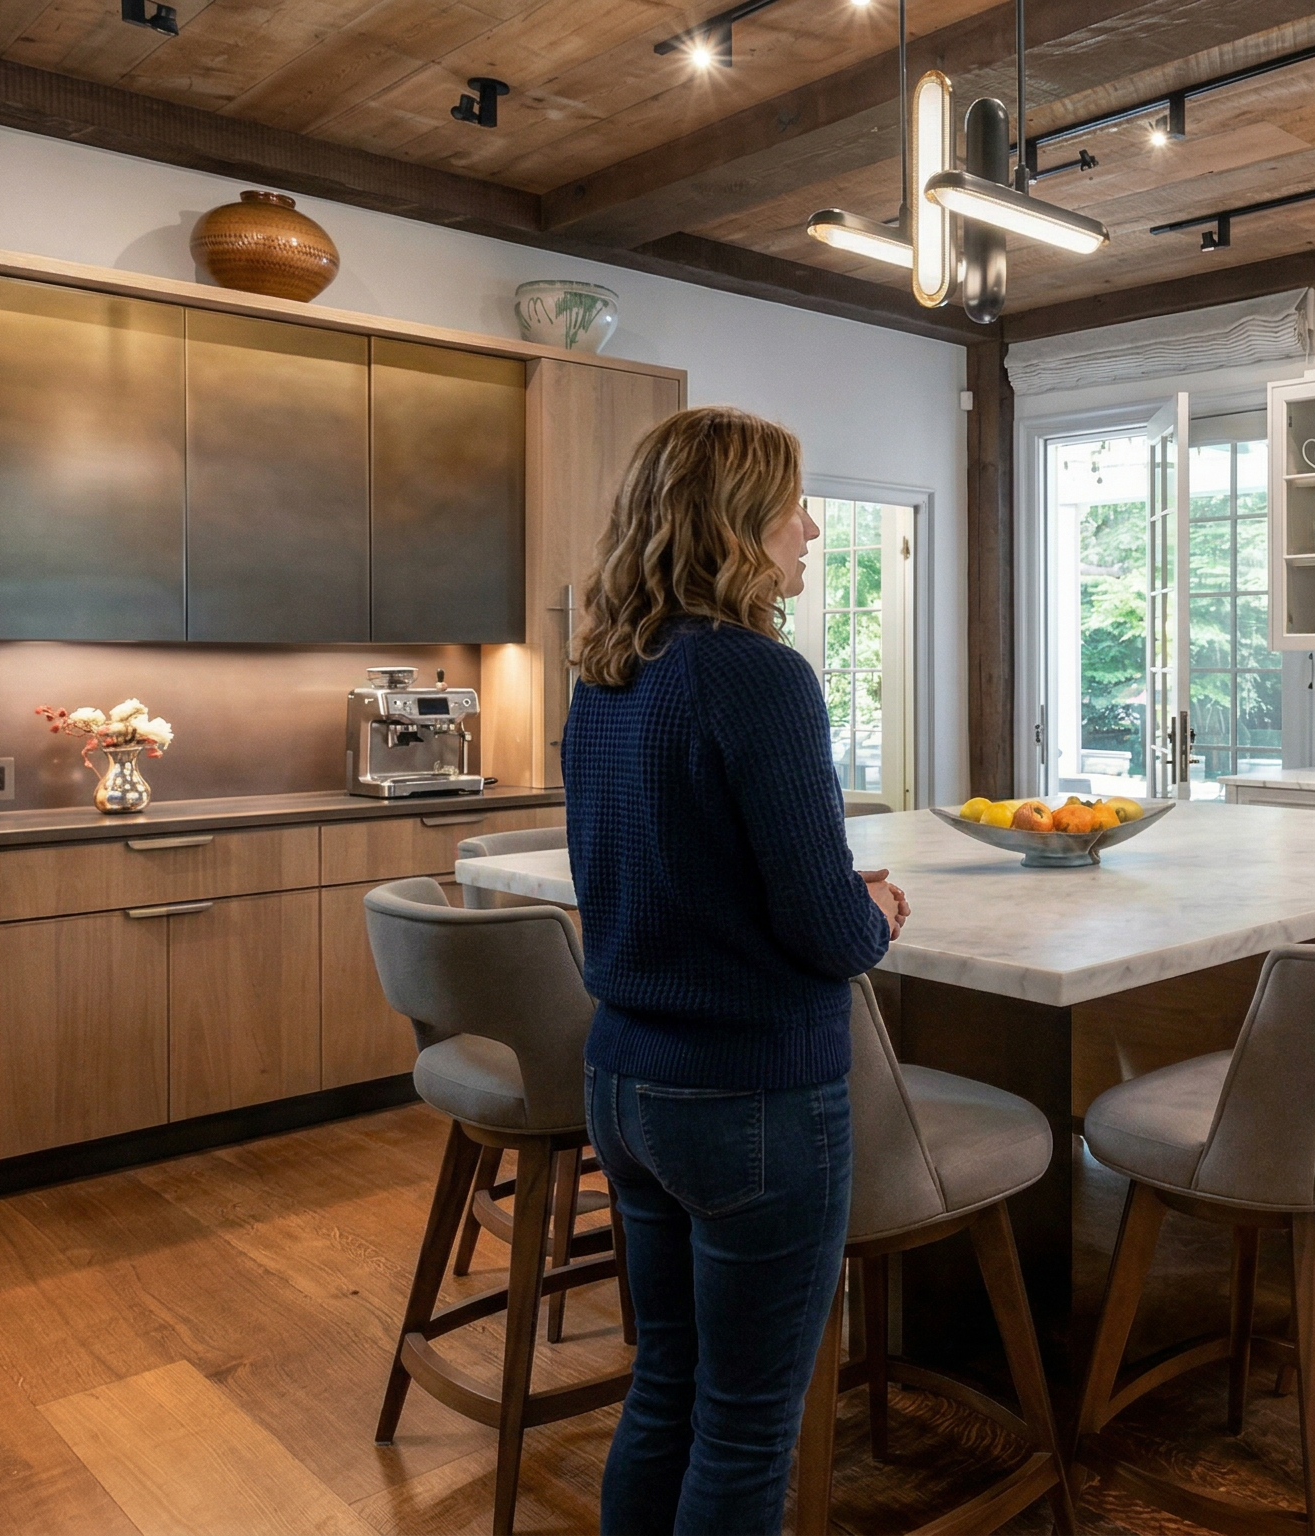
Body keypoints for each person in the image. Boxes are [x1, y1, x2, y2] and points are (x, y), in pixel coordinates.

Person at [562, 405, 909, 1535]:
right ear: (738, 523)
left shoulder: (608, 674)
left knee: (665, 1386)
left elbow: (676, 874)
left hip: (624, 1083)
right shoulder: (759, 675)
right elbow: (826, 935)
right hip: (751, 1096)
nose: (810, 528)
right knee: (752, 1421)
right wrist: (875, 913)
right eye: (792, 507)